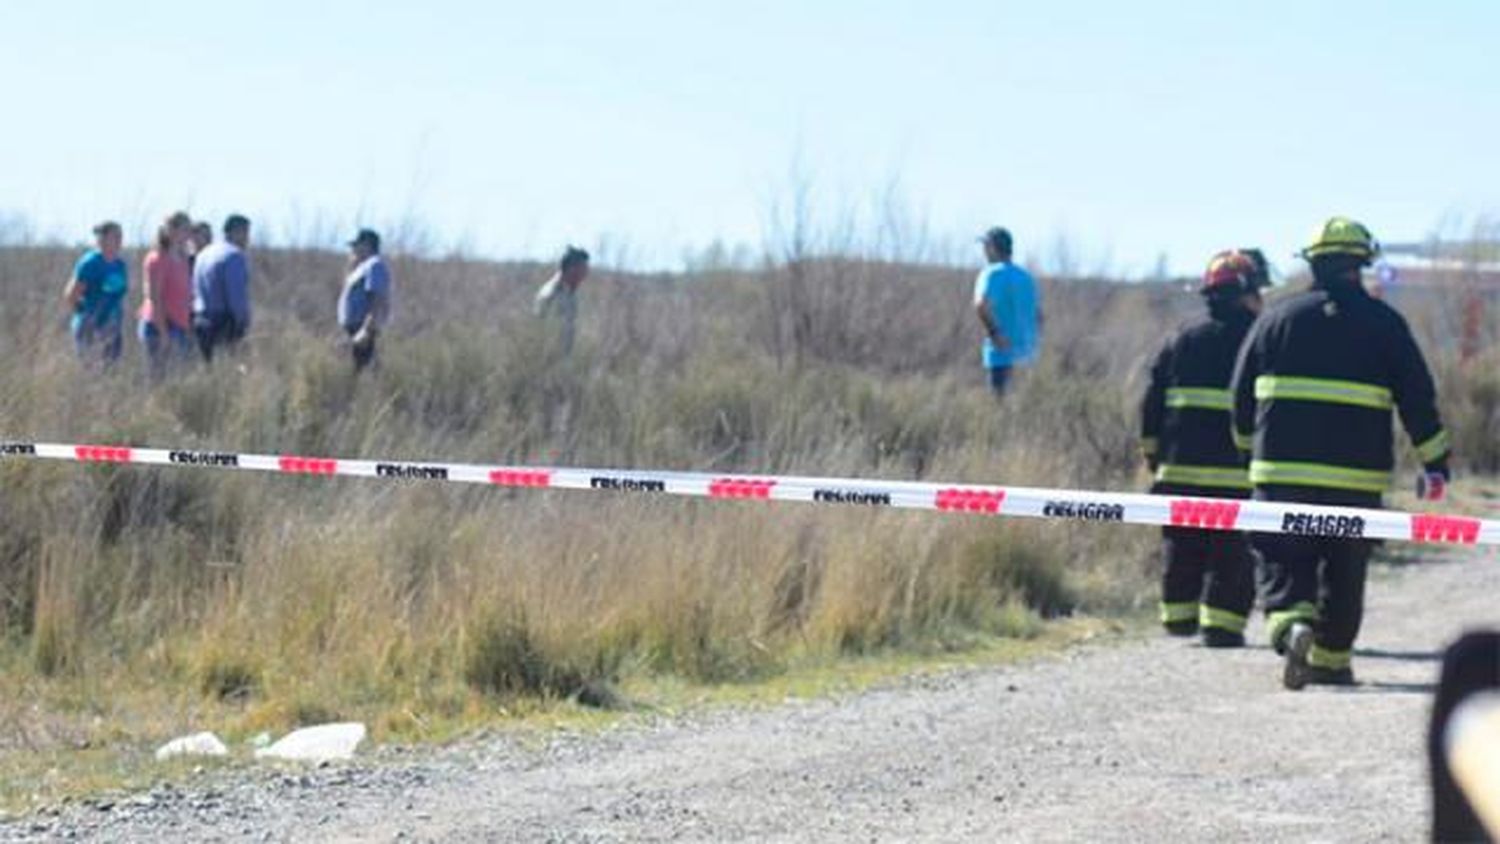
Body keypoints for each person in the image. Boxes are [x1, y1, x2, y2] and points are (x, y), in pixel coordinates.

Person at [1229, 217, 1452, 689]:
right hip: (1357, 479)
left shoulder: (1276, 319)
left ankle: (1292, 625)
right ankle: (1331, 661)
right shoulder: (1386, 324)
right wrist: (1435, 461)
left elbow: (1240, 395)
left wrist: (1249, 453)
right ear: (1362, 263)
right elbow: (1418, 397)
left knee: (1280, 556)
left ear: (1313, 262)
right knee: (1345, 569)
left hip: (1281, 473)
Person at [1140, 251, 1267, 647]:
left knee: (1182, 545)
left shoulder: (1181, 337)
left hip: (1178, 468)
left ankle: (1178, 616)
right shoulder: (1260, 337)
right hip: (1237, 472)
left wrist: (1151, 451)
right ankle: (1223, 626)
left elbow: (1152, 399)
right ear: (1246, 292)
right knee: (1233, 550)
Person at [972, 227, 1041, 395]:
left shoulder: (991, 273)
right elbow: (1038, 316)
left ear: (993, 248)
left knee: (1000, 408)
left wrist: (995, 333)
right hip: (1028, 355)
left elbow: (981, 304)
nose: (984, 251)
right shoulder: (1026, 277)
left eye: (986, 246)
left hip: (1001, 355)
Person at [138, 211, 195, 376]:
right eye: (184, 229)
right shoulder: (157, 259)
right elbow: (154, 297)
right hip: (161, 327)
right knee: (158, 378)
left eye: (189, 230)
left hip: (180, 326)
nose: (188, 235)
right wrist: (163, 332)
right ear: (170, 230)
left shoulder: (183, 258)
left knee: (177, 378)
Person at [64, 221, 129, 363]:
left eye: (121, 236)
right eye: (115, 236)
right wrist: (86, 315)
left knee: (111, 371)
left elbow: (120, 294)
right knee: (91, 371)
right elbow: (71, 295)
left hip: (113, 326)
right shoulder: (90, 263)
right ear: (102, 239)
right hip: (91, 327)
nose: (119, 240)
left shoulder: (120, 265)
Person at [191, 214, 253, 362]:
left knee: (208, 370)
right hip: (223, 324)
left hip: (200, 320)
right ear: (236, 232)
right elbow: (236, 297)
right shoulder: (234, 256)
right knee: (228, 373)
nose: (247, 239)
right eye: (245, 233)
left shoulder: (203, 254)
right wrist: (242, 323)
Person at [337, 228, 392, 371]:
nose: (353, 249)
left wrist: (366, 330)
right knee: (354, 371)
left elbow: (377, 300)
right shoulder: (361, 267)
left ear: (367, 245)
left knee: (362, 373)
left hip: (362, 328)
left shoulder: (375, 265)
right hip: (353, 328)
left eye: (357, 245)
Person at [533, 246, 591, 355]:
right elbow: (543, 331)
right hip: (549, 356)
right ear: (572, 269)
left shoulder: (570, 292)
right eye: (583, 270)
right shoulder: (552, 294)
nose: (585, 275)